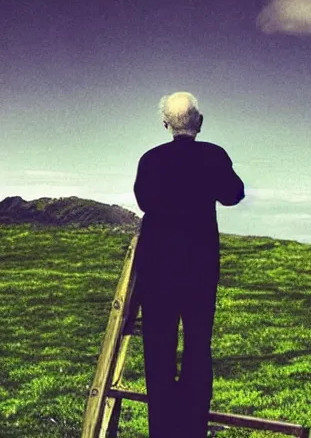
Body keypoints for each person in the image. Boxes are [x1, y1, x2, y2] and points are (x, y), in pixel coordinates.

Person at [133, 92, 245, 437]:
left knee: (158, 346)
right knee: (198, 345)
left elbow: (144, 201)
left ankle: (163, 430)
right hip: (199, 266)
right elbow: (233, 194)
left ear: (165, 124)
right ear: (198, 122)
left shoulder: (150, 160)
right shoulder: (213, 156)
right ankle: (194, 428)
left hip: (157, 266)